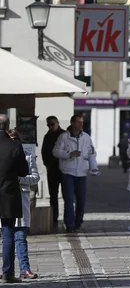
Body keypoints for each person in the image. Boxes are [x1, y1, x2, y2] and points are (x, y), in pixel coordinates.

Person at [53, 114, 99, 233]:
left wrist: (93, 168)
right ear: (72, 123)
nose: (81, 124)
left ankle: (78, 222)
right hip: (68, 172)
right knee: (68, 200)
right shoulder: (64, 137)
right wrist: (69, 154)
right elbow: (56, 151)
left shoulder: (86, 137)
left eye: (82, 122)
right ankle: (69, 224)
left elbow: (91, 154)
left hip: (82, 173)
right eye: (79, 122)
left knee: (81, 200)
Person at [0, 115, 30, 283]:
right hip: (8, 195)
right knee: (8, 234)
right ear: (7, 126)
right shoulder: (14, 146)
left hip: (7, 194)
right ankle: (7, 273)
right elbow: (24, 171)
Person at [15, 137, 40, 280]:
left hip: (21, 198)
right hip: (5, 200)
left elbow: (35, 177)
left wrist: (21, 180)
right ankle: (6, 269)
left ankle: (25, 268)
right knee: (5, 237)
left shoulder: (28, 156)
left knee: (20, 237)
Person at [41, 116, 65, 229]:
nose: (51, 126)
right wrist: (47, 164)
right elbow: (44, 152)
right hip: (52, 170)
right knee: (53, 196)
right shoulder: (47, 136)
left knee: (67, 195)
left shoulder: (64, 135)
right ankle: (53, 218)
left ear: (57, 123)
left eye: (52, 124)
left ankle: (68, 218)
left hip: (64, 170)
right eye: (49, 125)